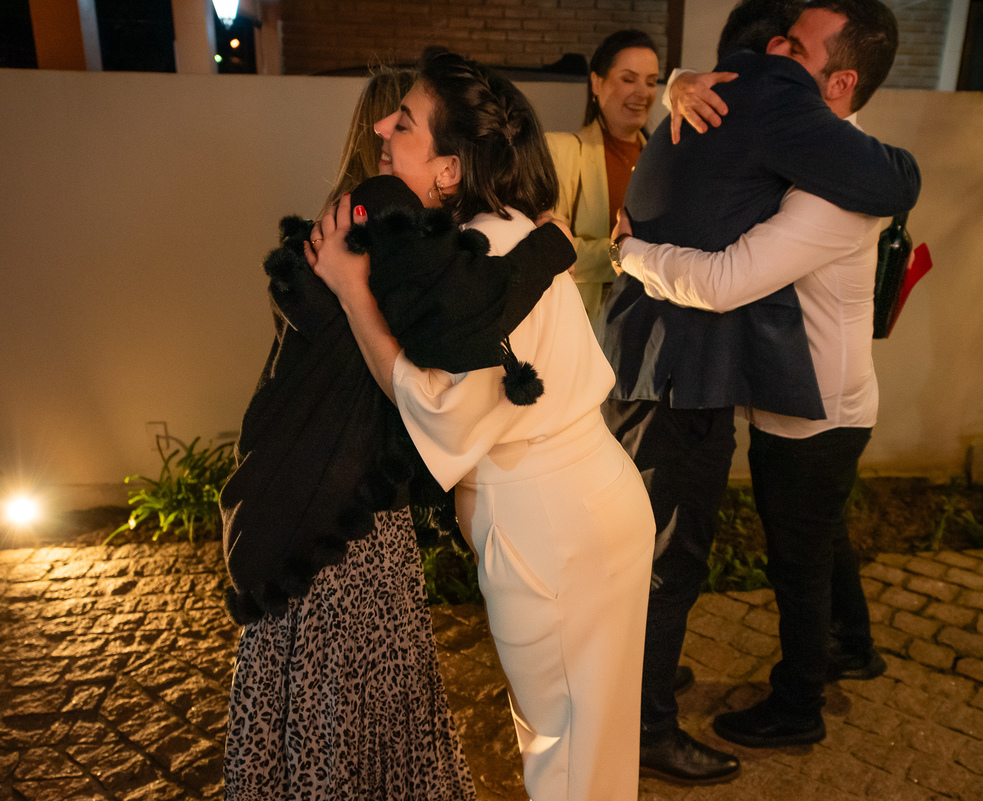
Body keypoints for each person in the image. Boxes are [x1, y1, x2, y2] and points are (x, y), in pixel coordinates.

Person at [308, 48, 656, 801]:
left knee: (566, 751)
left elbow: (438, 411)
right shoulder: (489, 234)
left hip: (551, 521)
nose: (381, 128)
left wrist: (352, 292)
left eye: (404, 122)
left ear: (449, 169)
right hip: (579, 501)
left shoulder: (484, 252)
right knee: (587, 741)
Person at [596, 0, 920, 785]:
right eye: (773, 43)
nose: (777, 52)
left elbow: (728, 279)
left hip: (820, 406)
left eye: (794, 50)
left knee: (798, 556)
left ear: (838, 83)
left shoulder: (835, 184)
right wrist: (686, 80)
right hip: (785, 398)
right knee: (808, 539)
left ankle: (799, 699)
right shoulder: (788, 142)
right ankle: (847, 647)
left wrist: (632, 252)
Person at [223, 68, 479, 801]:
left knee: (316, 711)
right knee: (355, 718)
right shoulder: (385, 231)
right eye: (396, 120)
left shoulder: (338, 231)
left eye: (402, 122)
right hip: (350, 521)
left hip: (305, 506)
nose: (386, 130)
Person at [546, 29, 660, 319]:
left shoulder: (661, 160)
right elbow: (549, 248)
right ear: (597, 83)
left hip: (651, 320)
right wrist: (625, 253)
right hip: (589, 321)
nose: (643, 93)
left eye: (651, 82)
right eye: (628, 79)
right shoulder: (564, 151)